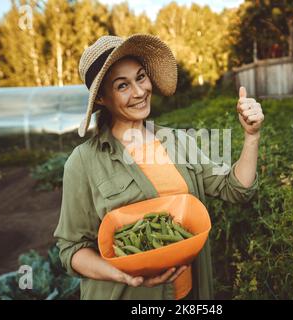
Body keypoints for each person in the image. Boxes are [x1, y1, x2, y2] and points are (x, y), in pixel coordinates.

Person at [54, 34, 264, 300]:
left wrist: (252, 136)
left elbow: (236, 189)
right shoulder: (83, 162)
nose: (139, 92)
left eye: (140, 77)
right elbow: (72, 249)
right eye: (122, 86)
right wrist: (121, 274)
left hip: (189, 294)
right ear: (102, 99)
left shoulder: (179, 141)